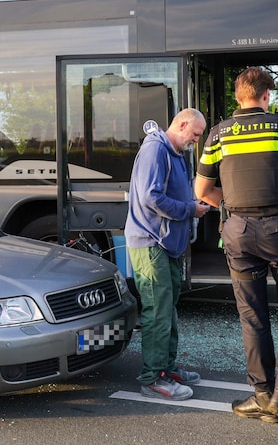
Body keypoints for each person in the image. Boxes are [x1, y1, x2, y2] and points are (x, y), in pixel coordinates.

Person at [195, 66, 278, 430]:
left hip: (236, 231)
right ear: (266, 96)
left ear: (238, 97)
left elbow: (202, 192)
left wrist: (232, 205)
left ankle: (263, 394)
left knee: (252, 313)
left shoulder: (218, 134)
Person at [125, 108, 209, 401]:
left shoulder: (172, 152)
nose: (196, 141)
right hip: (151, 243)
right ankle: (153, 378)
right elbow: (151, 197)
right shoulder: (155, 150)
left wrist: (192, 203)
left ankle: (166, 368)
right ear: (182, 124)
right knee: (158, 311)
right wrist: (190, 209)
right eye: (195, 134)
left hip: (164, 243)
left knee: (167, 309)